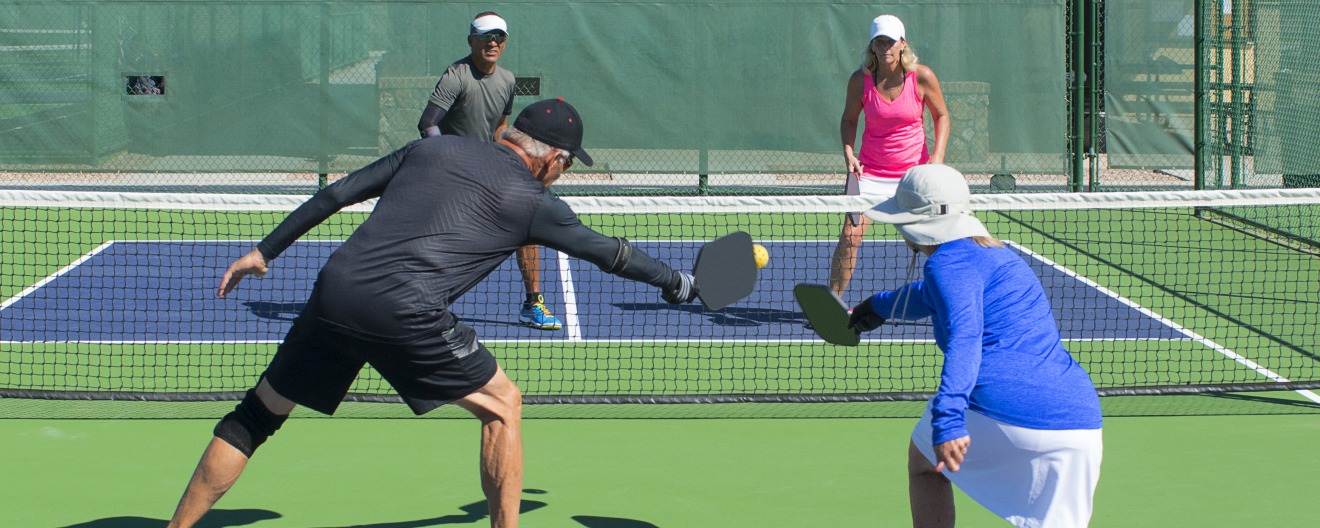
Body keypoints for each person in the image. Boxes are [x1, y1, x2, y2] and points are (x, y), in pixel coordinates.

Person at [165, 98, 701, 528]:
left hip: (335, 291)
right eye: (565, 166)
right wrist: (677, 282)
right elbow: (612, 254)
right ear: (553, 159)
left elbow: (337, 193)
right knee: (503, 406)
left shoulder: (428, 149)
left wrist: (264, 251)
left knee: (256, 416)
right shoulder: (534, 201)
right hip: (406, 311)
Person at [846, 164, 1103, 528]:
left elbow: (965, 340)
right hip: (1079, 422)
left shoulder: (944, 266)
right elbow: (927, 295)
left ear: (913, 225)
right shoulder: (999, 257)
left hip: (1000, 408)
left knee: (924, 464)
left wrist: (948, 420)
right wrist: (877, 306)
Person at [417, 11, 564, 331]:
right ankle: (423, 306)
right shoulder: (455, 76)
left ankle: (532, 304)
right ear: (472, 40)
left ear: (505, 42)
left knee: (527, 223)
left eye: (499, 37)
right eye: (486, 37)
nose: (493, 43)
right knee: (443, 242)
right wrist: (450, 162)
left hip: (489, 169)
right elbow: (427, 124)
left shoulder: (507, 81)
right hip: (453, 172)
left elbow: (499, 128)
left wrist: (519, 160)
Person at [830, 14, 950, 302]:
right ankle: (833, 303)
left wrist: (937, 157)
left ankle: (950, 298)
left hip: (913, 177)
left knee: (932, 241)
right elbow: (848, 120)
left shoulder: (922, 76)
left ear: (902, 44)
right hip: (869, 175)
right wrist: (848, 152)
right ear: (872, 46)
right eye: (879, 42)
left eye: (890, 42)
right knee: (850, 236)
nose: (885, 47)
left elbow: (942, 116)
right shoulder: (860, 81)